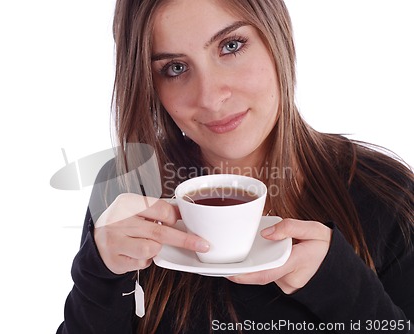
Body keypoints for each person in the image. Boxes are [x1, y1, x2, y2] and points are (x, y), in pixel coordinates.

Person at [56, 0, 414, 332]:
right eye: (175, 68)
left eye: (231, 46)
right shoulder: (128, 187)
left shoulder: (385, 193)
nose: (211, 98)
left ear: (277, 36)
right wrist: (100, 273)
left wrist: (342, 286)